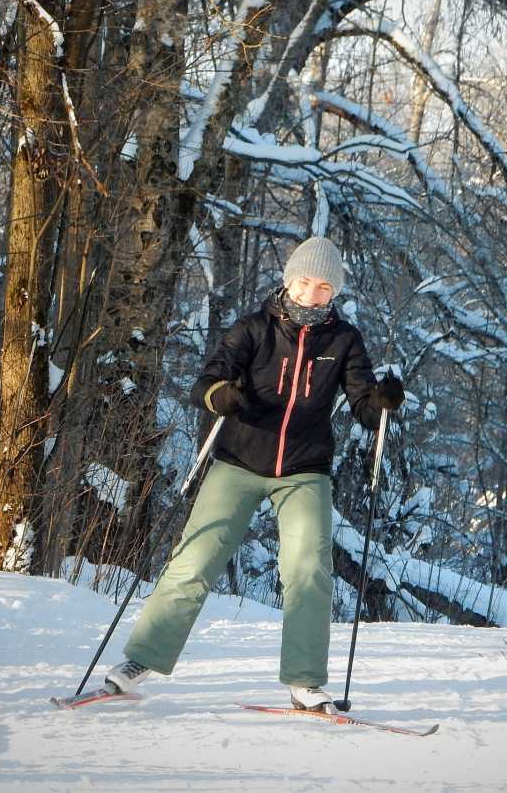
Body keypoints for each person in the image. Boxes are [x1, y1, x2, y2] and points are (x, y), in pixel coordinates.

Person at [104, 236, 404, 712]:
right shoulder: (252, 330)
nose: (312, 293)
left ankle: (304, 682)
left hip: (304, 469)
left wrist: (382, 401)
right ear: (290, 281)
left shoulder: (344, 341)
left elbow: (364, 407)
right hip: (239, 461)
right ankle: (141, 659)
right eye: (305, 281)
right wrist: (221, 395)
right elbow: (206, 384)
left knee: (308, 567)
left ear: (335, 292)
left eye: (324, 286)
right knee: (194, 559)